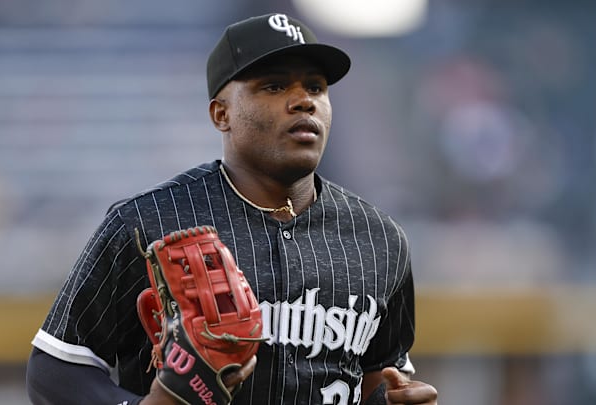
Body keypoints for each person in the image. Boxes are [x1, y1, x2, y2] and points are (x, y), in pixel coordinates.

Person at [26, 12, 438, 405]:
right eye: (274, 87)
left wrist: (391, 398)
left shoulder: (379, 239)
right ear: (221, 113)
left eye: (315, 87)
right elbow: (56, 368)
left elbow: (376, 377)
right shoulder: (146, 223)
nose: (303, 101)